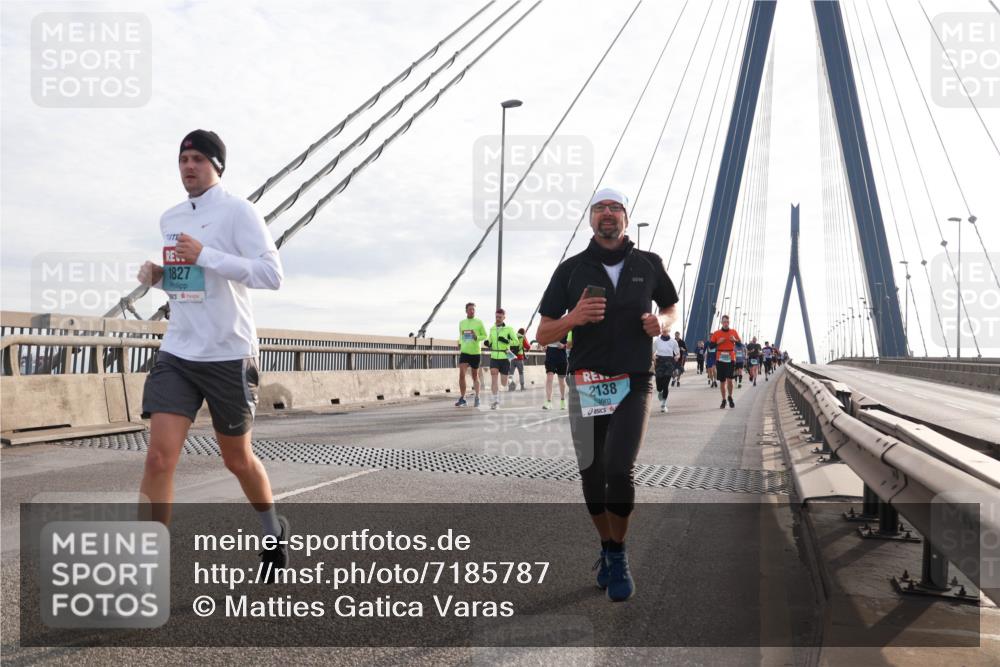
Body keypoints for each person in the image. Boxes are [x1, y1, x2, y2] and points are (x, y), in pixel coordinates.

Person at [137, 129, 288, 578]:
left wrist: (207, 255)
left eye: (199, 158)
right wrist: (161, 277)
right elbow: (190, 285)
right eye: (183, 158)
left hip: (228, 353)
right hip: (179, 351)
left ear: (217, 166)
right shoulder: (171, 216)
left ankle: (272, 530)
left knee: (236, 459)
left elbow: (270, 275)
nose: (189, 166)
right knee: (159, 457)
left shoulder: (240, 212)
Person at [536, 187, 678, 602]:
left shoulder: (649, 264)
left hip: (634, 381)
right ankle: (607, 544)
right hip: (587, 382)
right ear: (591, 220)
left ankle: (618, 554)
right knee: (592, 476)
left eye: (615, 208)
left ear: (627, 218)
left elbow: (670, 307)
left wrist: (663, 325)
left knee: (619, 469)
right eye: (600, 209)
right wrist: (574, 317)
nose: (608, 214)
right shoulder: (571, 270)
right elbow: (542, 332)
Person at [456, 302, 487, 407]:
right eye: (470, 309)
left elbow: (485, 335)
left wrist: (476, 337)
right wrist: (459, 343)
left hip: (475, 352)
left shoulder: (479, 322)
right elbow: (461, 335)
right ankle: (463, 398)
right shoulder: (462, 322)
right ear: (466, 311)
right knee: (461, 374)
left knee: (475, 376)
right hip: (464, 352)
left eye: (473, 309)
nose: (472, 311)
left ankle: (477, 397)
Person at [484, 308, 517, 410]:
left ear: (504, 317)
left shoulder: (509, 329)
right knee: (494, 376)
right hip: (494, 356)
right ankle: (495, 401)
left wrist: (506, 341)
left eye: (500, 317)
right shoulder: (492, 329)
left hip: (504, 357)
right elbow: (490, 340)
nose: (498, 319)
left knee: (503, 383)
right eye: (496, 317)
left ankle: (510, 380)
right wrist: (487, 343)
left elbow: (516, 342)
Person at [709, 315, 741, 408]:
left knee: (730, 380)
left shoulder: (733, 332)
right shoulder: (716, 333)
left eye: (727, 321)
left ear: (729, 322)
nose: (726, 323)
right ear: (721, 323)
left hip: (730, 358)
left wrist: (734, 340)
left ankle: (730, 397)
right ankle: (723, 400)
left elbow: (740, 345)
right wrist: (718, 342)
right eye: (724, 322)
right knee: (722, 382)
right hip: (720, 359)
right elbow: (711, 346)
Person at [654, 333, 679, 413]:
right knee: (659, 387)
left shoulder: (673, 341)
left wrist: (676, 357)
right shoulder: (657, 341)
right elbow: (652, 352)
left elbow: (678, 353)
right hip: (659, 362)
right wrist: (653, 357)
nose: (665, 331)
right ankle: (660, 391)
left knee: (665, 385)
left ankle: (663, 405)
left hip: (669, 363)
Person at [543, 335, 568, 410]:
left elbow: (571, 343)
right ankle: (548, 401)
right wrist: (544, 346)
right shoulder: (549, 330)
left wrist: (564, 346)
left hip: (561, 357)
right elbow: (542, 341)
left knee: (561, 382)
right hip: (550, 356)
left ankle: (563, 400)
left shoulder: (565, 329)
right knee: (549, 378)